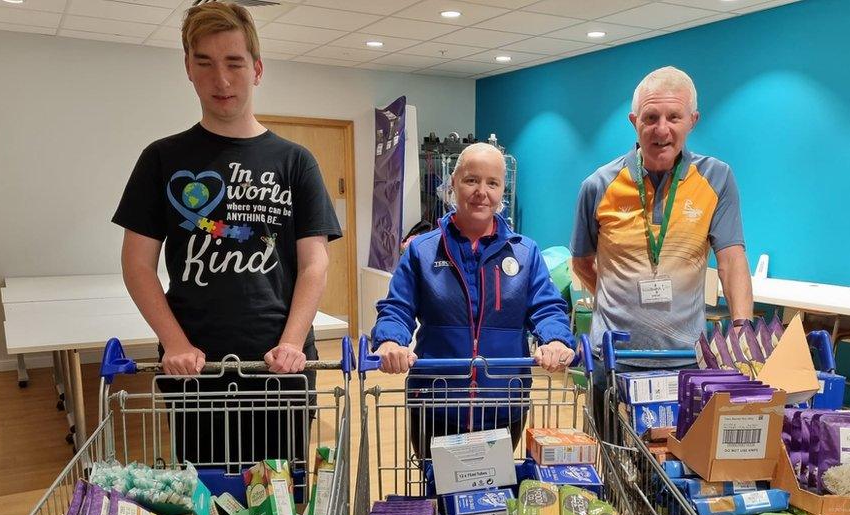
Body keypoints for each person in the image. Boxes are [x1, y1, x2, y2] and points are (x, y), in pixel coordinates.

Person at [111, 2, 341, 464]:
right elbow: (137, 265)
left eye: (234, 63)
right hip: (196, 368)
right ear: (188, 70)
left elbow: (315, 264)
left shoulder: (295, 162)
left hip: (282, 366)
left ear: (256, 69)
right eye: (205, 63)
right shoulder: (161, 159)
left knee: (283, 500)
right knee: (211, 505)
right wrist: (174, 343)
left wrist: (293, 342)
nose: (221, 80)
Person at [570, 66, 753, 438]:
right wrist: (616, 298)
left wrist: (741, 328)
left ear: (693, 121)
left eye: (674, 117)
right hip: (614, 360)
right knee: (616, 471)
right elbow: (581, 263)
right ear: (634, 121)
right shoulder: (598, 185)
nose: (662, 129)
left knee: (675, 475)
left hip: (687, 363)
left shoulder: (717, 179)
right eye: (651, 118)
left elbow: (732, 260)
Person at [372, 142, 576, 459]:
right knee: (438, 495)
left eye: (492, 183)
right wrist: (389, 340)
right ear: (453, 184)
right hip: (436, 404)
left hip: (503, 404)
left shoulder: (525, 253)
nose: (481, 191)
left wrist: (556, 339)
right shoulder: (422, 250)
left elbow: (547, 307)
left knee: (491, 496)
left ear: (502, 191)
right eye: (471, 180)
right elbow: (397, 308)